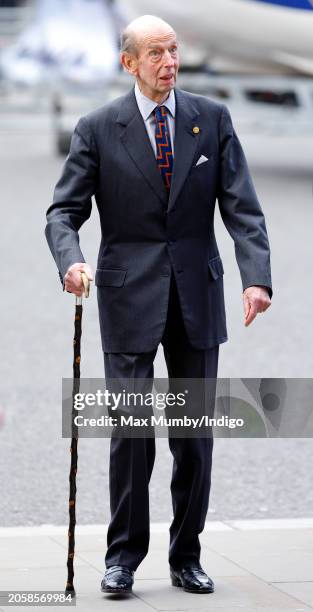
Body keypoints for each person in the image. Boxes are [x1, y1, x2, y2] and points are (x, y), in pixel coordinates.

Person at [45, 14, 272, 596]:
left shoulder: (210, 120)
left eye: (173, 51)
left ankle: (186, 554)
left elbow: (241, 205)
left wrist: (255, 278)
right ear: (130, 63)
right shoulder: (98, 128)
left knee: (193, 436)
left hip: (197, 293)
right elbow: (63, 212)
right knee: (131, 433)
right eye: (155, 53)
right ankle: (122, 557)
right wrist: (70, 259)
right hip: (127, 298)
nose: (169, 62)